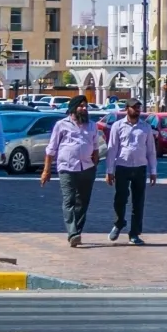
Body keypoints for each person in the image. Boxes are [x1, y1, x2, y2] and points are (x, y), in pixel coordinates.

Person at [40, 98, 105, 246]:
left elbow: (95, 147)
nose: (84, 109)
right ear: (73, 108)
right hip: (67, 168)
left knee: (83, 202)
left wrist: (94, 164)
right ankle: (72, 232)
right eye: (80, 106)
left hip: (87, 168)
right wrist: (46, 170)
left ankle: (77, 231)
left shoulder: (92, 125)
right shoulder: (61, 125)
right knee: (69, 200)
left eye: (85, 106)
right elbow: (51, 150)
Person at [106, 100, 161, 243]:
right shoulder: (118, 126)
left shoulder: (146, 128)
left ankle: (134, 233)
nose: (137, 110)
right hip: (122, 167)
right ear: (127, 109)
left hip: (140, 168)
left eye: (139, 108)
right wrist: (109, 170)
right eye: (134, 107)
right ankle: (119, 223)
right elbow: (112, 149)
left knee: (138, 201)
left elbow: (151, 150)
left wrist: (153, 171)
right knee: (120, 198)